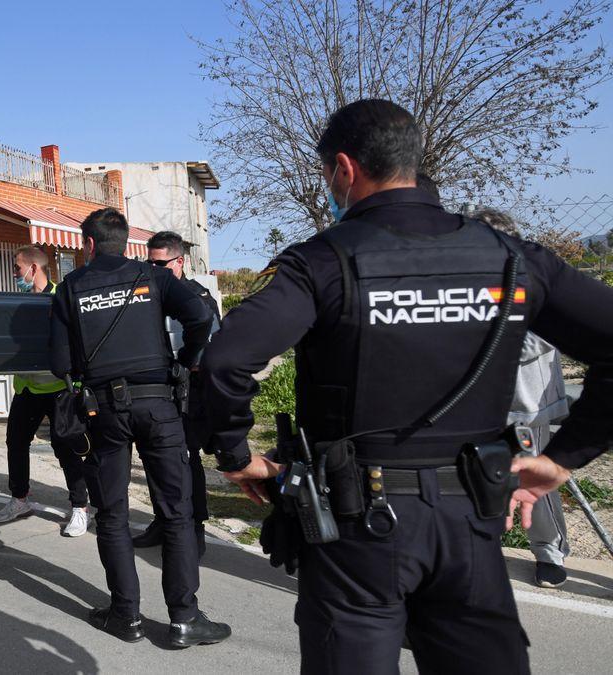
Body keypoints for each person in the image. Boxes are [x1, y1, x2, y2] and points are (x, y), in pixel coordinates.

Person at [198, 99, 613, 673]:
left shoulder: (320, 262)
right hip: (471, 516)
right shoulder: (511, 257)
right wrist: (565, 458)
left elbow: (224, 361)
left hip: (356, 528)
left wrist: (236, 455)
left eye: (326, 176)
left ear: (343, 169)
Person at [49, 207, 230, 648]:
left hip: (105, 413)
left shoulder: (71, 287)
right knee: (176, 512)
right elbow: (200, 317)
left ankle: (125, 615)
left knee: (112, 514)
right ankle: (184, 618)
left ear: (88, 245)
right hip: (160, 406)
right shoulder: (154, 278)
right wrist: (186, 360)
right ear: (126, 241)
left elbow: (59, 363)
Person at [472, 207, 572, 588]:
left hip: (528, 403)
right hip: (480, 404)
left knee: (533, 477)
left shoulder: (536, 279)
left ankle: (549, 552)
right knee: (481, 476)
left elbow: (544, 338)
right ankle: (483, 550)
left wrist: (496, 337)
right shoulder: (471, 283)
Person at [0, 245, 91, 536]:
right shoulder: (21, 303)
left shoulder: (61, 298)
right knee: (16, 442)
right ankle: (20, 499)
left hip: (59, 387)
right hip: (27, 387)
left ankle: (80, 508)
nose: (14, 273)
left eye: (17, 267)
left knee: (65, 446)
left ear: (34, 269)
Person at [134, 231, 220, 556]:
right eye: (149, 262)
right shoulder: (145, 296)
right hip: (156, 390)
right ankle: (161, 520)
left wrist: (190, 363)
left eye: (160, 264)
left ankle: (195, 526)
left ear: (179, 261)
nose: (153, 269)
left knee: (187, 460)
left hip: (189, 390)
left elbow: (213, 346)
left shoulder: (199, 297)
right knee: (152, 457)